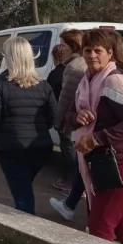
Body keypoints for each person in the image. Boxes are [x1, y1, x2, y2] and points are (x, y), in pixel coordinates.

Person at [66, 28, 123, 244]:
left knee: (99, 231)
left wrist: (95, 139)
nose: (92, 55)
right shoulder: (87, 81)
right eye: (87, 50)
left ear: (110, 53)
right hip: (113, 164)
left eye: (98, 51)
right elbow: (68, 114)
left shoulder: (115, 82)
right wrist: (76, 117)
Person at [0, 35, 57, 214]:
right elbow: (53, 116)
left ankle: (27, 230)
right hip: (40, 145)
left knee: (22, 193)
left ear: (9, 56)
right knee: (23, 186)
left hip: (11, 146)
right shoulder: (44, 85)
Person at [50, 29, 87, 204]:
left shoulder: (73, 67)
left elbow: (66, 97)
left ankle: (71, 185)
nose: (61, 48)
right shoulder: (84, 63)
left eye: (63, 44)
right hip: (84, 118)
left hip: (74, 119)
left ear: (72, 46)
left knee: (71, 151)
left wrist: (59, 121)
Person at [47, 43, 69, 191]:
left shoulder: (55, 74)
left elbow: (48, 97)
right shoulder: (76, 71)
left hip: (63, 117)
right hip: (77, 116)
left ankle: (67, 180)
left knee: (67, 149)